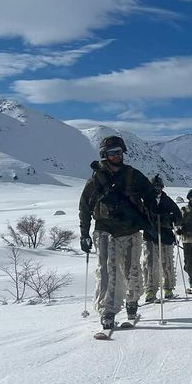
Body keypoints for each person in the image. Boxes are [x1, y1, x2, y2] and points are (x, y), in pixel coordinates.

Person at [79, 136, 158, 335]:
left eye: (119, 152)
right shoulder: (97, 179)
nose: (117, 156)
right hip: (105, 230)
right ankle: (108, 310)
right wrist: (84, 234)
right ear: (105, 155)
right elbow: (85, 207)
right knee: (107, 271)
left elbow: (149, 193)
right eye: (112, 152)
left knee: (132, 269)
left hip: (131, 230)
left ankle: (132, 301)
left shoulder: (133, 175)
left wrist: (152, 210)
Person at [143, 175, 182, 302]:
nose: (157, 189)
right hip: (150, 235)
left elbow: (178, 215)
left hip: (166, 235)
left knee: (167, 262)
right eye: (154, 187)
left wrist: (171, 220)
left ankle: (168, 288)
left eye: (159, 187)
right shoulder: (146, 200)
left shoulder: (167, 200)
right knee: (150, 263)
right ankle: (150, 290)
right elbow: (140, 214)